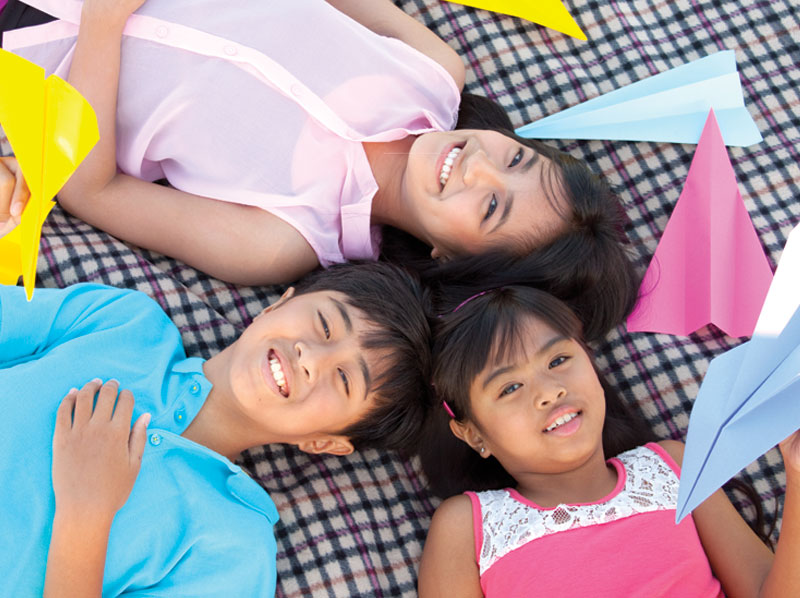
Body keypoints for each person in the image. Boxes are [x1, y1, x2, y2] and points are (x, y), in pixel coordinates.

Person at [0, 0, 637, 337]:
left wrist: (107, 21)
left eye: (492, 206)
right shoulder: (433, 70)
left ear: (451, 258)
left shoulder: (283, 240)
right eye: (518, 158)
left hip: (28, 53)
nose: (481, 166)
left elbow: (92, 188)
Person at [0, 261, 433, 597]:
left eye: (344, 380)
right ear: (278, 303)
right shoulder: (125, 322)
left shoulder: (233, 551)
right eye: (324, 324)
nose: (310, 356)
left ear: (323, 442)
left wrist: (86, 514)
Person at [416, 286, 800, 597]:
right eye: (510, 387)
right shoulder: (468, 527)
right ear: (473, 434)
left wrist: (796, 473)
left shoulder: (671, 467)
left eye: (558, 361)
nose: (549, 393)